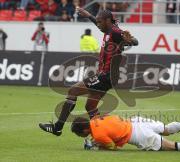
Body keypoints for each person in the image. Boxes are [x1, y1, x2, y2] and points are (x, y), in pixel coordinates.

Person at [39, 8, 139, 136]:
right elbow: (101, 25)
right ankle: (102, 133)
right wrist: (89, 15)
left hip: (106, 76)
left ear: (107, 21)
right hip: (107, 76)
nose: (98, 24)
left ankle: (57, 127)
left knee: (73, 91)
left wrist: (130, 41)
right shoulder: (108, 29)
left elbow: (134, 41)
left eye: (99, 22)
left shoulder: (115, 31)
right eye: (97, 22)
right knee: (90, 107)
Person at [71, 115, 180, 152]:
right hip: (137, 121)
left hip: (138, 136)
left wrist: (96, 146)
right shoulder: (97, 119)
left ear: (84, 130)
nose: (80, 136)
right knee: (166, 128)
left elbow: (112, 147)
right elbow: (108, 128)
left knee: (176, 147)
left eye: (79, 134)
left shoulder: (97, 135)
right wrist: (97, 140)